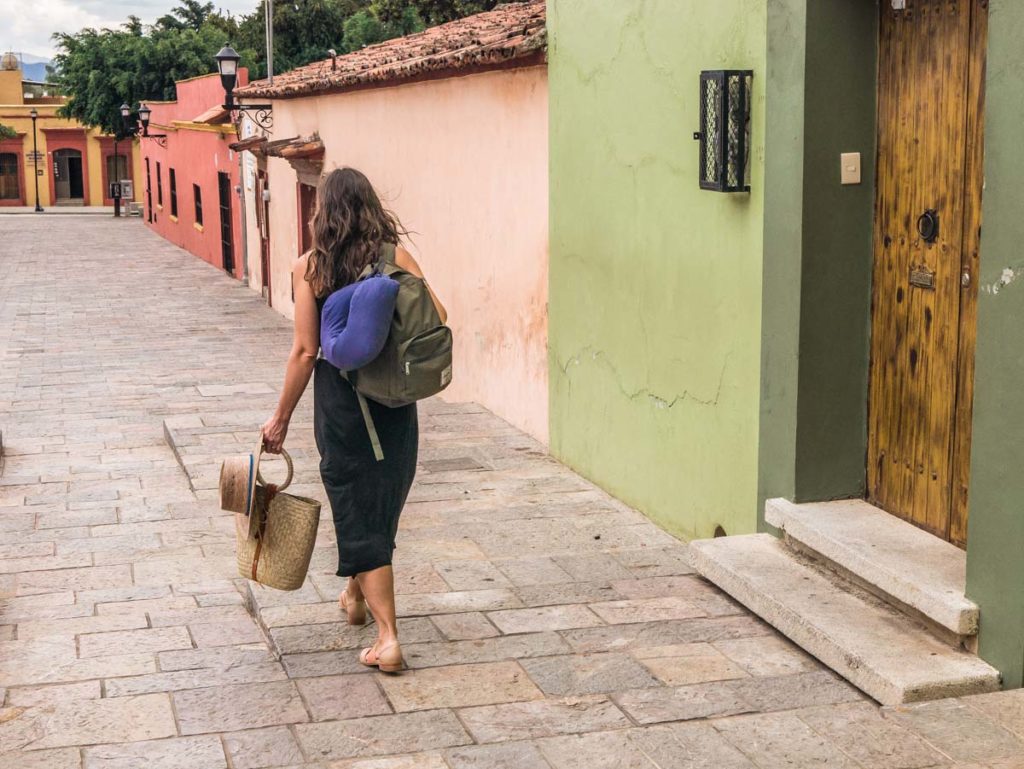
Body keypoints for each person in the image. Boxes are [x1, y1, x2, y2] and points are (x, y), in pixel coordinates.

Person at [261, 167, 446, 673]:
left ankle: (388, 639)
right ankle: (355, 596)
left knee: (355, 504)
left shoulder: (310, 269)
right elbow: (438, 317)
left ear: (325, 213)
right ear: (370, 207)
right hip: (393, 404)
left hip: (342, 409)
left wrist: (279, 420)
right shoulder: (396, 260)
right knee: (377, 501)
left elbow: (305, 351)